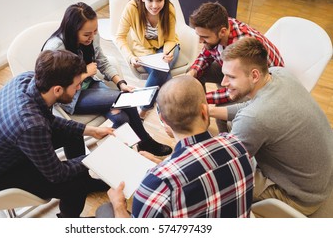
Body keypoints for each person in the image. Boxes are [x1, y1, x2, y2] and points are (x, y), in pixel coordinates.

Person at [0, 50, 113, 218]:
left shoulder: (27, 79)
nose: (79, 88)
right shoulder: (32, 126)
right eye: (76, 86)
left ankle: (85, 178)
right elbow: (58, 174)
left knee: (72, 135)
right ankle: (68, 219)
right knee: (75, 183)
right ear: (57, 90)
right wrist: (96, 158)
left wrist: (90, 131)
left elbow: (49, 120)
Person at [98, 76, 254, 218]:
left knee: (105, 210)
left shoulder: (156, 185)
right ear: (205, 111)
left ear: (163, 120)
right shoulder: (237, 146)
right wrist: (160, 164)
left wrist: (119, 206)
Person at [210, 37, 333, 216]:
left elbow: (227, 165)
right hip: (322, 174)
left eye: (231, 77)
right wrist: (211, 111)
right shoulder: (280, 74)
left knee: (222, 181)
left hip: (302, 197)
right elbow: (251, 107)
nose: (223, 83)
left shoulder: (254, 118)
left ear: (254, 75)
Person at [42, 2, 172, 156]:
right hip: (71, 97)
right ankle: (144, 143)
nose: (92, 37)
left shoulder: (92, 37)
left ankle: (129, 151)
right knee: (126, 101)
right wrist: (84, 73)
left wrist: (121, 83)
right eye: (86, 34)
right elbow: (54, 87)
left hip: (92, 87)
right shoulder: (56, 47)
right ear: (72, 30)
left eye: (95, 31)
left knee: (122, 116)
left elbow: (102, 61)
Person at [186, 1, 284, 131]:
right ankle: (201, 117)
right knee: (193, 73)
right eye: (199, 36)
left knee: (221, 110)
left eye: (204, 37)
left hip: (261, 84)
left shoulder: (241, 45)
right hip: (239, 72)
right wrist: (190, 75)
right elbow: (206, 55)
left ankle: (227, 143)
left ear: (222, 32)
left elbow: (238, 87)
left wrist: (202, 100)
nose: (200, 41)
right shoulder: (220, 26)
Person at [115, 0, 180, 119]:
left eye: (159, 0)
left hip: (167, 47)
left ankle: (143, 109)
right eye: (150, 0)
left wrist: (167, 52)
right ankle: (174, 112)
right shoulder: (132, 8)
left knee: (160, 70)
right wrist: (130, 56)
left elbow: (170, 38)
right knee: (162, 74)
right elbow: (119, 37)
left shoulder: (169, 9)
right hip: (144, 50)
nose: (155, 5)